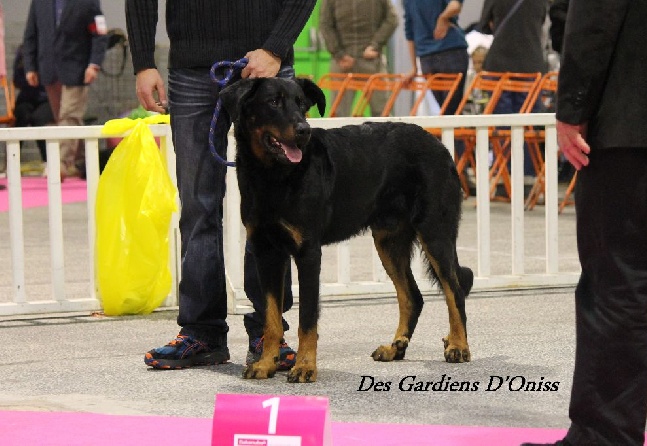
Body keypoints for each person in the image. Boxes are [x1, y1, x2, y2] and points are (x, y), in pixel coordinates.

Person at [125, 0, 316, 371]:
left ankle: (269, 331)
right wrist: (144, 63)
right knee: (198, 206)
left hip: (267, 66)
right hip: (191, 69)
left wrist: (275, 48)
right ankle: (202, 333)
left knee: (272, 209)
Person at [521, 1, 647, 445]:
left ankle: (605, 437)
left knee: (619, 282)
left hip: (638, 109)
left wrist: (573, 105)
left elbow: (594, 14)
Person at [22, 0, 108, 180]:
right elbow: (31, 34)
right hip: (49, 69)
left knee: (69, 117)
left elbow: (100, 34)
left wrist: (94, 65)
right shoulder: (39, 3)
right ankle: (81, 163)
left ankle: (59, 164)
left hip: (78, 70)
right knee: (66, 119)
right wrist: (30, 67)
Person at [480, 0, 549, 178]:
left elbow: (483, 25)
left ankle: (505, 179)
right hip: (531, 66)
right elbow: (540, 22)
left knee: (502, 127)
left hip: (499, 65)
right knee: (528, 126)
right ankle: (527, 177)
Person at [319, 0, 398, 117]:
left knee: (339, 115)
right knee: (382, 114)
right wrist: (375, 45)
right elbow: (392, 19)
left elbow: (325, 24)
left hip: (343, 63)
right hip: (371, 60)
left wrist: (339, 54)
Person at [402, 0, 469, 116]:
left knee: (443, 108)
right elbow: (455, 5)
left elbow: (409, 32)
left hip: (427, 59)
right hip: (451, 51)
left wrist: (414, 67)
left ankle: (448, 133)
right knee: (452, 111)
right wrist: (443, 18)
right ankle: (454, 133)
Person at [13, 44, 54, 166]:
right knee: (22, 115)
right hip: (26, 98)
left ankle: (47, 161)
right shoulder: (22, 52)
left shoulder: (50, 52)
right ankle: (13, 161)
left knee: (39, 119)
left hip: (46, 98)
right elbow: (16, 81)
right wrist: (29, 78)